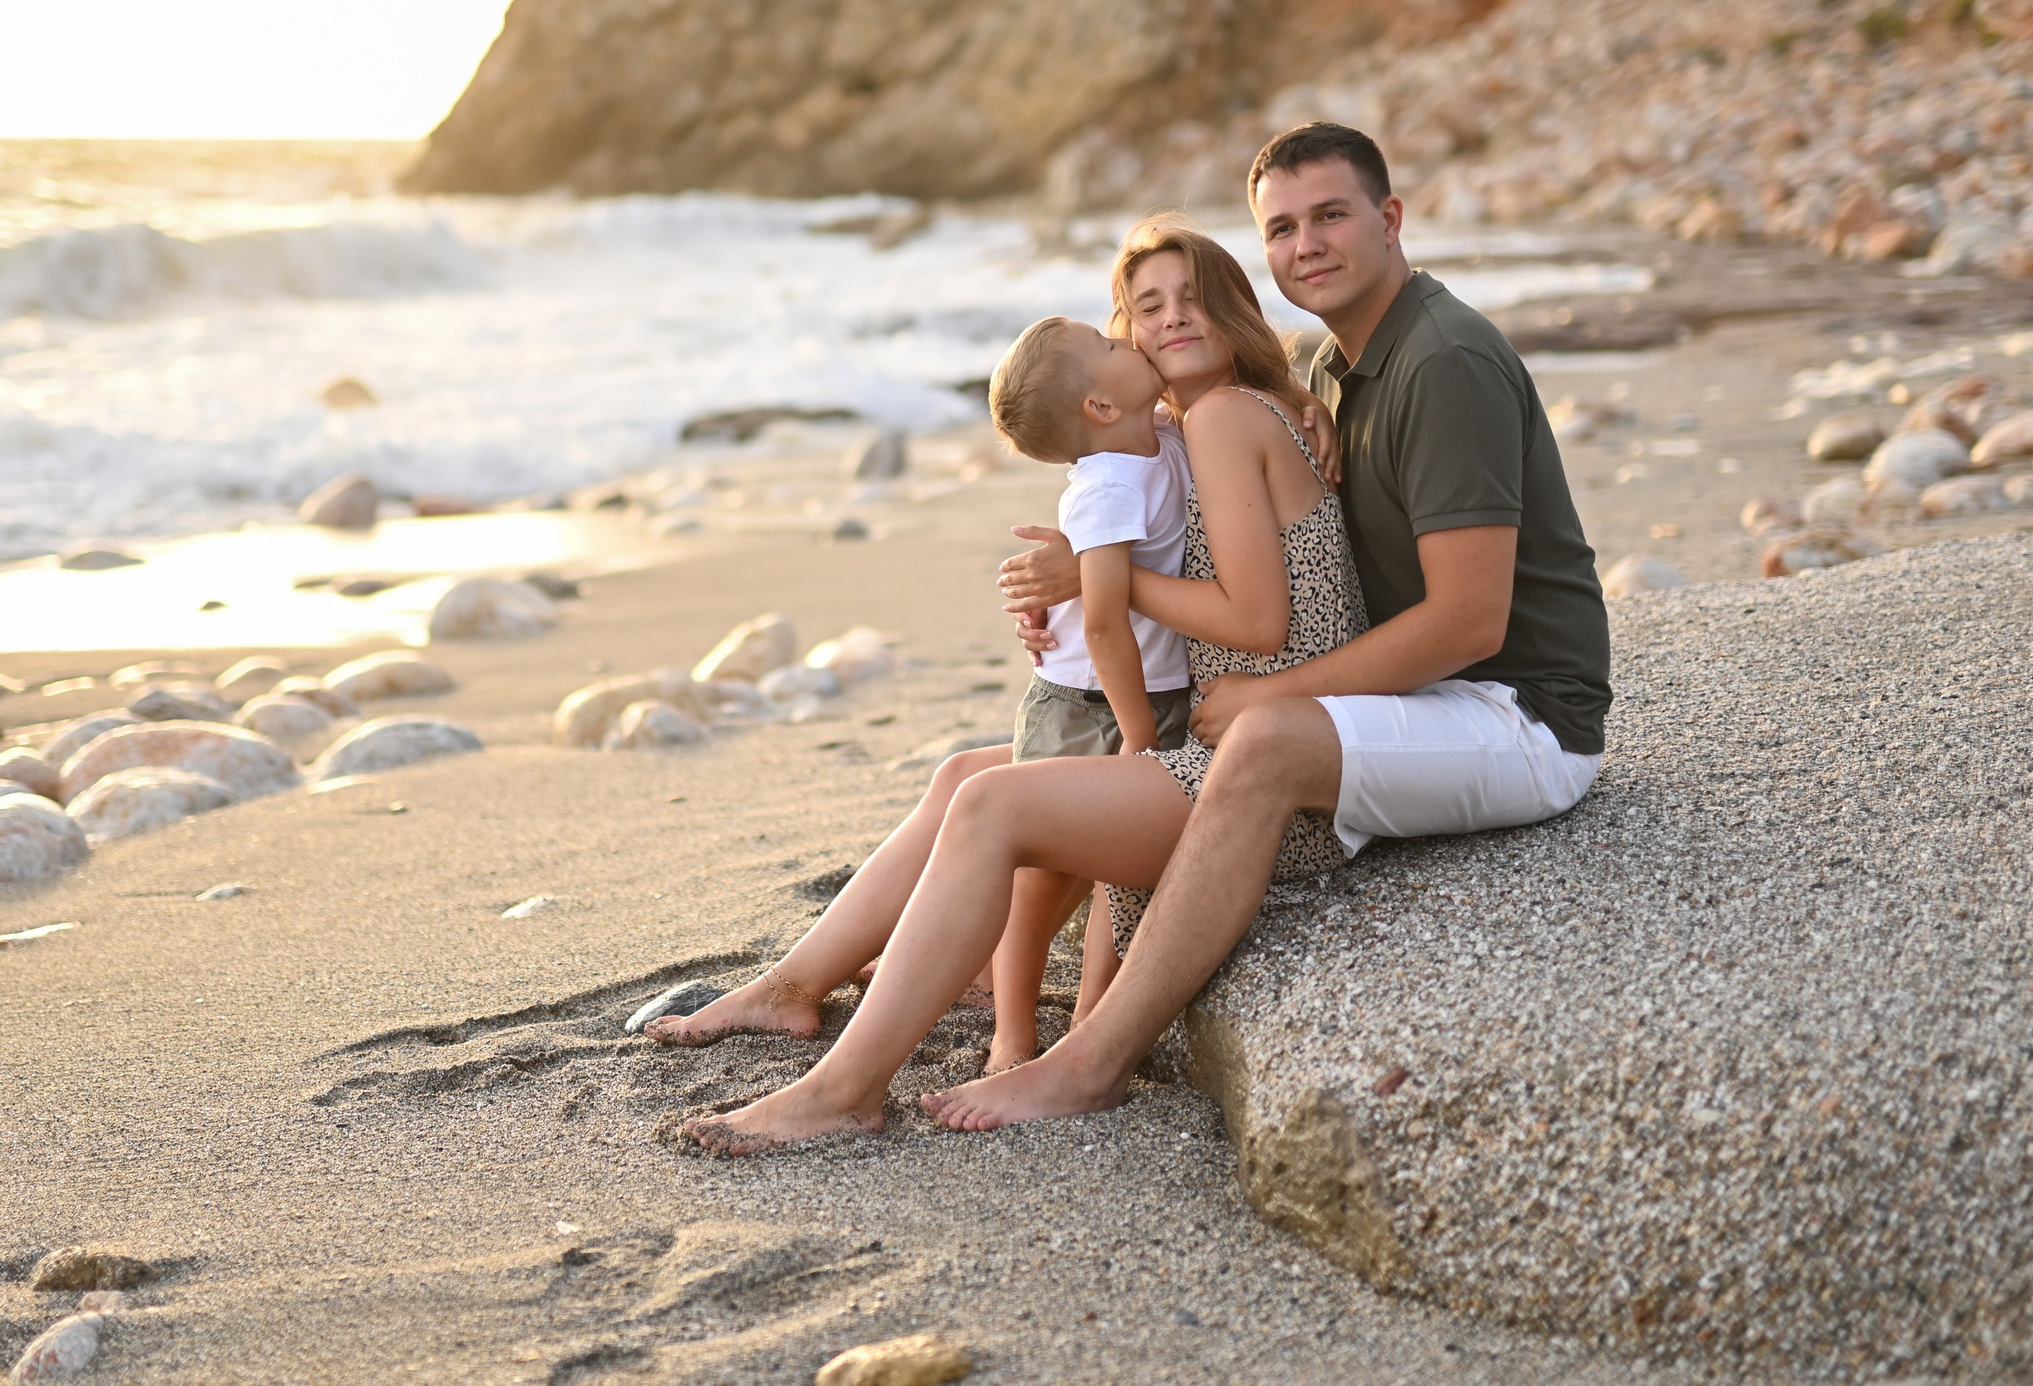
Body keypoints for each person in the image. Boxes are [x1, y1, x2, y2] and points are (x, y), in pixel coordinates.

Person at [922, 120, 1611, 1131]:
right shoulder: (1335, 369)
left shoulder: (1443, 362)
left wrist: (1265, 693)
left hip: (1520, 715)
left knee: (1260, 741)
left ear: (1390, 218)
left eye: (1330, 215)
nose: (1306, 245)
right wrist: (1072, 583)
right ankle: (814, 983)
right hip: (1425, 701)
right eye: (1280, 228)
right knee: (981, 774)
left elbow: (1469, 620)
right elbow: (1147, 439)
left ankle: (1088, 1063)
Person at [646, 217, 1367, 1154]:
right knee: (960, 775)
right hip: (1221, 734)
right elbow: (1150, 549)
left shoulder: (1228, 418)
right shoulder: (1194, 427)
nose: (1171, 320)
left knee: (989, 802)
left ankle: (847, 1088)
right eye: (1147, 308)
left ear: (1232, 304)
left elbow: (1255, 619)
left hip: (1255, 775)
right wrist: (1073, 586)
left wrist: (1090, 583)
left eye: (1194, 298)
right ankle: (794, 983)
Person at [975, 313, 1198, 1071]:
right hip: (1085, 704)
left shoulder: (1164, 434)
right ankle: (1012, 1032)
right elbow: (1103, 622)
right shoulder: (1105, 486)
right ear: (1100, 408)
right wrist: (1139, 735)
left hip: (1155, 690)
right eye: (1109, 348)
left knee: (1122, 874)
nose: (1126, 337)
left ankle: (1088, 1021)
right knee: (1039, 882)